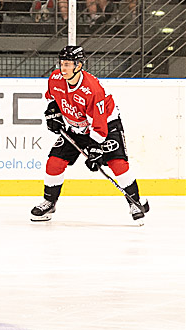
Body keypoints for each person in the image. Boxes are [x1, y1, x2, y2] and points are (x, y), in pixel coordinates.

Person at [33, 45, 149, 222]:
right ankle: (49, 202)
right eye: (61, 64)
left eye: (67, 64)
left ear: (78, 66)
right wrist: (53, 114)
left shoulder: (92, 89)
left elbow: (99, 124)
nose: (62, 68)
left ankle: (136, 201)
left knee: (117, 164)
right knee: (54, 163)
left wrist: (95, 149)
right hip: (76, 127)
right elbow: (52, 99)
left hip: (106, 126)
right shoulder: (55, 78)